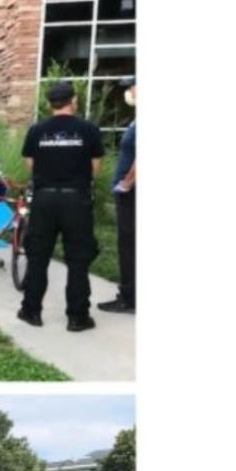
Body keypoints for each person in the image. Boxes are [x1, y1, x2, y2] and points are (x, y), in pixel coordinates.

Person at [18, 81, 105, 332]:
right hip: (76, 200)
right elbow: (95, 168)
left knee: (38, 257)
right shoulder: (88, 130)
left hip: (44, 199)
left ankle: (31, 311)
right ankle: (77, 317)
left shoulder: (37, 130)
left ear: (49, 104)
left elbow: (29, 163)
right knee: (78, 260)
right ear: (73, 100)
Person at [99, 77, 136, 314]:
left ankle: (129, 296)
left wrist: (127, 183)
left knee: (129, 244)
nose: (129, 92)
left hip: (132, 194)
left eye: (131, 87)